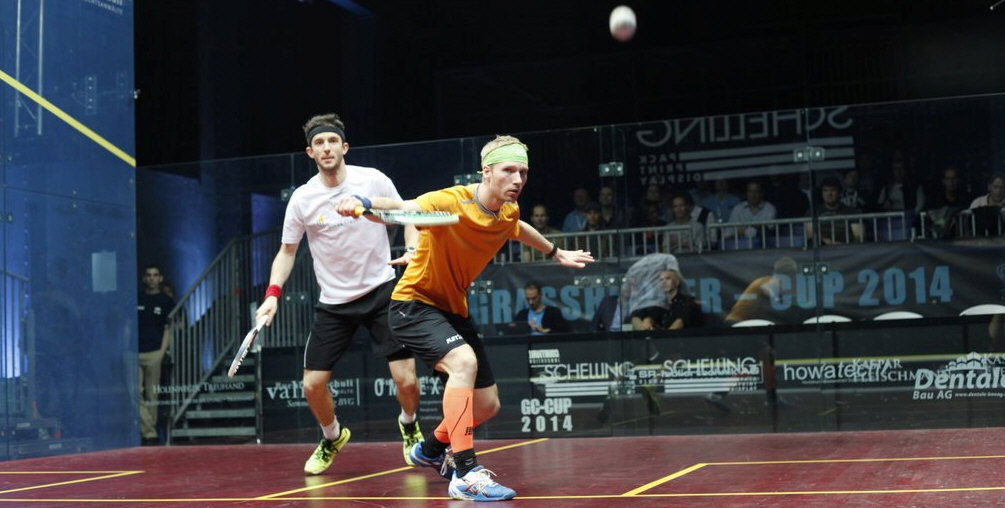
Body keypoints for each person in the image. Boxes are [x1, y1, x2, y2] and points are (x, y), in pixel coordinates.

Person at [337, 134, 594, 501]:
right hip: (414, 303)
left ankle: (429, 449)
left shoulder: (508, 211)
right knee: (463, 362)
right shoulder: (449, 201)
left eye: (523, 172)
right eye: (508, 171)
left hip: (453, 309)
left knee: (487, 405)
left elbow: (517, 228)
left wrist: (556, 252)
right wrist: (363, 203)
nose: (517, 180)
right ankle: (465, 472)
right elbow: (401, 207)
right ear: (486, 172)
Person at [254, 113, 423, 476]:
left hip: (381, 291)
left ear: (344, 147)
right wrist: (272, 295)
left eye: (332, 141)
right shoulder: (302, 199)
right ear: (310, 152)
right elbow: (286, 252)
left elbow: (408, 214)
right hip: (334, 304)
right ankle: (332, 436)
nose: (326, 148)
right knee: (312, 385)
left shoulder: (373, 179)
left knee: (407, 380)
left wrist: (412, 249)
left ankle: (409, 425)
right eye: (319, 143)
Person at [137, 264, 174, 446]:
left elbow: (168, 328)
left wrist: (161, 352)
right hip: (134, 352)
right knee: (135, 394)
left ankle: (149, 434)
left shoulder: (166, 301)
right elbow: (127, 326)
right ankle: (149, 432)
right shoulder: (136, 297)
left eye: (155, 275)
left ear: (160, 278)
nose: (152, 278)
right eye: (149, 275)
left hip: (154, 353)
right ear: (144, 278)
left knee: (152, 395)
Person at [804, 177, 864, 245]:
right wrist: (828, 242)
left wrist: (846, 247)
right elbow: (810, 234)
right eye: (825, 190)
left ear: (840, 193)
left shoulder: (852, 212)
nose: (829, 194)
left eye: (833, 190)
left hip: (847, 248)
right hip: (822, 248)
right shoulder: (812, 211)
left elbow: (859, 236)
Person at [924, 166, 968, 239]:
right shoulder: (935, 201)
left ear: (958, 180)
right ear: (943, 181)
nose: (951, 182)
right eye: (948, 179)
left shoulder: (965, 199)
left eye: (954, 178)